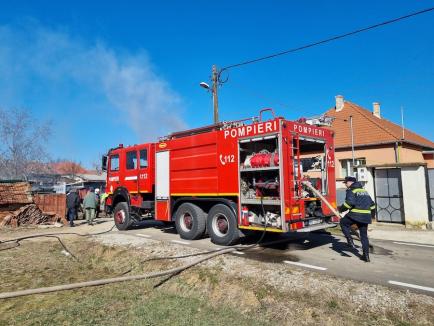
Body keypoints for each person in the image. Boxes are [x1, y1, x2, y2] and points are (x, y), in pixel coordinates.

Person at [338, 176, 376, 262]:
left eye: (346, 183)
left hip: (355, 215)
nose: (345, 185)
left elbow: (349, 203)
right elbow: (372, 205)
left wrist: (341, 209)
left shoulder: (351, 190)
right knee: (364, 236)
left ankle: (350, 241)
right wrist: (372, 216)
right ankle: (366, 256)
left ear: (350, 182)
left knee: (343, 223)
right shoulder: (364, 191)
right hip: (365, 216)